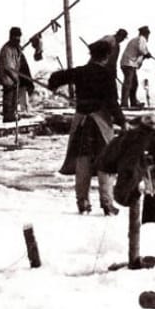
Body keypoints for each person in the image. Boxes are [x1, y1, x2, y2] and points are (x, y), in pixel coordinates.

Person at [48, 39, 126, 215]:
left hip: (82, 123)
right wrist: (122, 121)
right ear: (106, 56)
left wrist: (53, 86)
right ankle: (107, 203)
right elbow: (112, 103)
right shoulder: (106, 74)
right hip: (100, 124)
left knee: (83, 162)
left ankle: (82, 202)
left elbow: (55, 78)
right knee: (105, 163)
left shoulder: (80, 72)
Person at [0, 26, 33, 122]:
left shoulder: (15, 48)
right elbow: (7, 66)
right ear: (11, 36)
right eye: (15, 37)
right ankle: (7, 115)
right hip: (7, 77)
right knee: (8, 97)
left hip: (14, 77)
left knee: (14, 97)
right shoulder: (6, 49)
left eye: (19, 37)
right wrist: (14, 77)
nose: (17, 39)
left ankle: (12, 114)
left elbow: (19, 60)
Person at [120, 26, 152, 108]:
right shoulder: (141, 39)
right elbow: (141, 49)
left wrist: (146, 55)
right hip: (129, 63)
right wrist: (146, 54)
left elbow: (140, 53)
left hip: (129, 63)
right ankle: (124, 103)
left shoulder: (137, 39)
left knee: (134, 84)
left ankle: (133, 102)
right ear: (146, 33)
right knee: (128, 83)